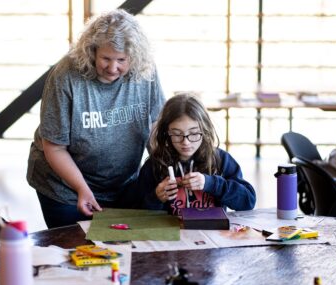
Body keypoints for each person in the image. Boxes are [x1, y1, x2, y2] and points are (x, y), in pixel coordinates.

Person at [27, 9, 166, 228]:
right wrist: (81, 188)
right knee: (76, 250)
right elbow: (54, 147)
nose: (112, 68)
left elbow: (156, 125)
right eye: (106, 58)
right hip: (64, 189)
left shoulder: (144, 71)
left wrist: (164, 171)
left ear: (134, 57)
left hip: (122, 184)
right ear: (92, 52)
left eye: (121, 60)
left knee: (118, 250)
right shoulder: (66, 75)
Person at [136, 93, 256, 214]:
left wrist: (212, 184)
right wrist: (156, 197)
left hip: (212, 231)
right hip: (170, 232)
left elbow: (248, 201)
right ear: (166, 132)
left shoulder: (221, 160)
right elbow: (137, 213)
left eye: (193, 133)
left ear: (205, 130)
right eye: (177, 134)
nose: (186, 142)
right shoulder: (155, 164)